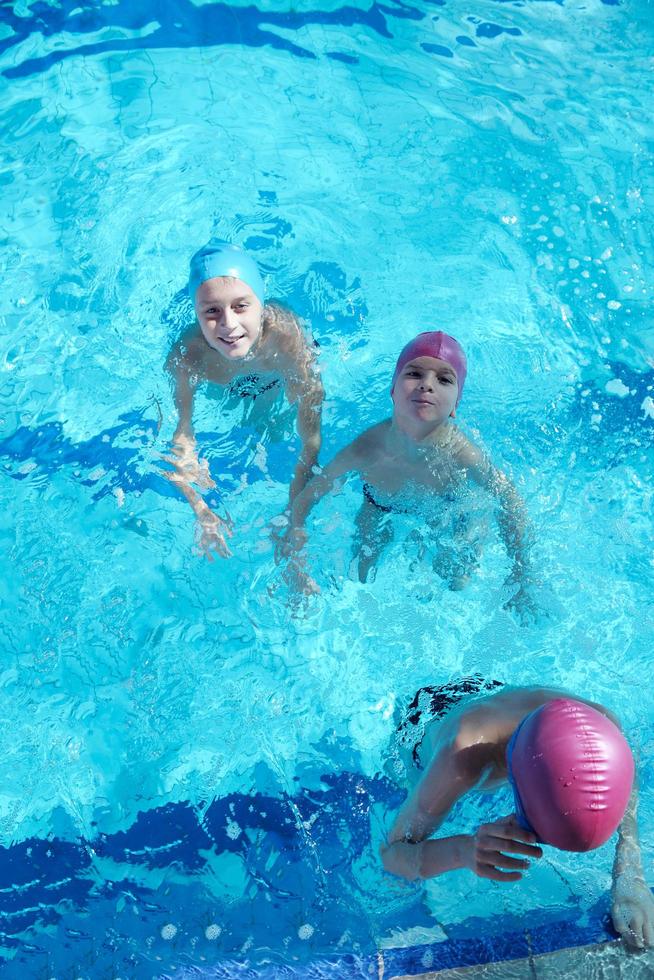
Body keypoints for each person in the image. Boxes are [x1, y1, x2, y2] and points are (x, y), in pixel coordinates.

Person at [279, 330, 535, 620]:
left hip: (450, 511)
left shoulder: (463, 455)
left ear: (455, 405)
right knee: (359, 577)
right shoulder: (367, 448)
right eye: (414, 373)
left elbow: (510, 500)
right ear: (393, 388)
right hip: (380, 504)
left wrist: (521, 572)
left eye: (444, 379)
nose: (427, 385)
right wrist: (295, 555)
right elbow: (309, 496)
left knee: (456, 587)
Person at [381, 682, 654, 951]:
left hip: (487, 695)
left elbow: (624, 784)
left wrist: (631, 874)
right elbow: (391, 854)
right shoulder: (460, 762)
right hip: (422, 725)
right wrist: (463, 850)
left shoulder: (603, 727)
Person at [165, 239, 323, 559]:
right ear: (196, 313)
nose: (228, 324)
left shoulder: (287, 339)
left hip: (273, 389)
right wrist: (201, 510)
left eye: (241, 306)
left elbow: (311, 438)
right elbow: (181, 439)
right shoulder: (187, 356)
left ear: (261, 305)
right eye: (211, 311)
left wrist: (295, 517)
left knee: (277, 432)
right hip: (222, 397)